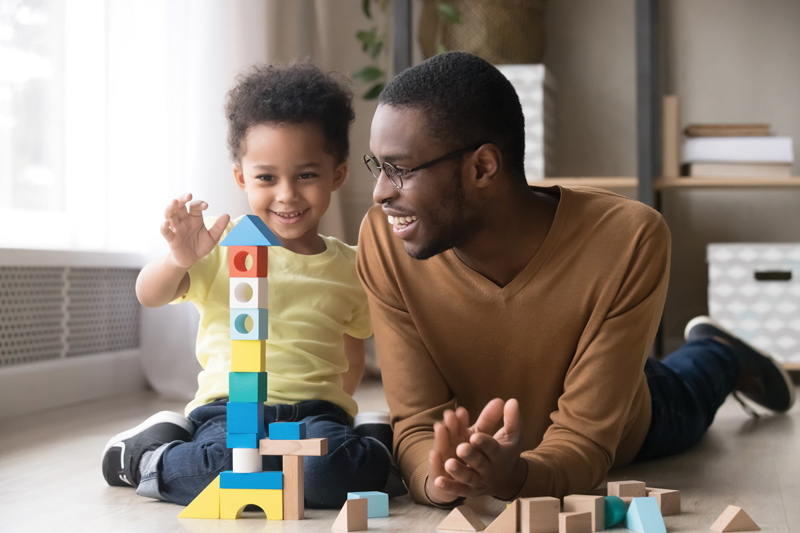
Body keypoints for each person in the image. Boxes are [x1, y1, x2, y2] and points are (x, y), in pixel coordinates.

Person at [355, 51, 796, 508]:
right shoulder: (385, 241)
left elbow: (587, 442)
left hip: (622, 421)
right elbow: (416, 422)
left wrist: (516, 476)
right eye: (378, 166)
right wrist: (440, 479)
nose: (380, 192)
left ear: (483, 167)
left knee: (690, 387)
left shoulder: (628, 238)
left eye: (400, 170)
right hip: (520, 420)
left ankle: (719, 351)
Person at [101, 62, 400, 508]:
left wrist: (340, 407)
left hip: (315, 412)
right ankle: (148, 453)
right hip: (227, 412)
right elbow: (149, 293)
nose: (286, 194)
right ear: (241, 177)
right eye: (266, 177)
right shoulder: (220, 246)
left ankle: (370, 438)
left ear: (337, 175)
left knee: (330, 478)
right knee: (218, 469)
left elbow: (352, 349)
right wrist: (181, 258)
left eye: (306, 175)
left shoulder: (351, 265)